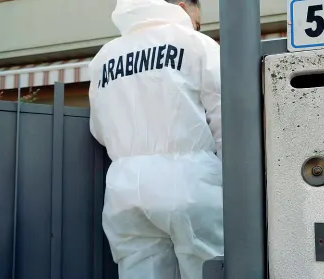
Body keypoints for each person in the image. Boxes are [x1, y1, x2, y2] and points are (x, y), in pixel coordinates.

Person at [87, 0, 223, 278]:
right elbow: (227, 117)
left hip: (123, 186)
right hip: (191, 178)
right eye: (198, 18)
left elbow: (99, 130)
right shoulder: (195, 43)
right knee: (208, 268)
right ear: (185, 6)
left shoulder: (103, 58)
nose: (198, 24)